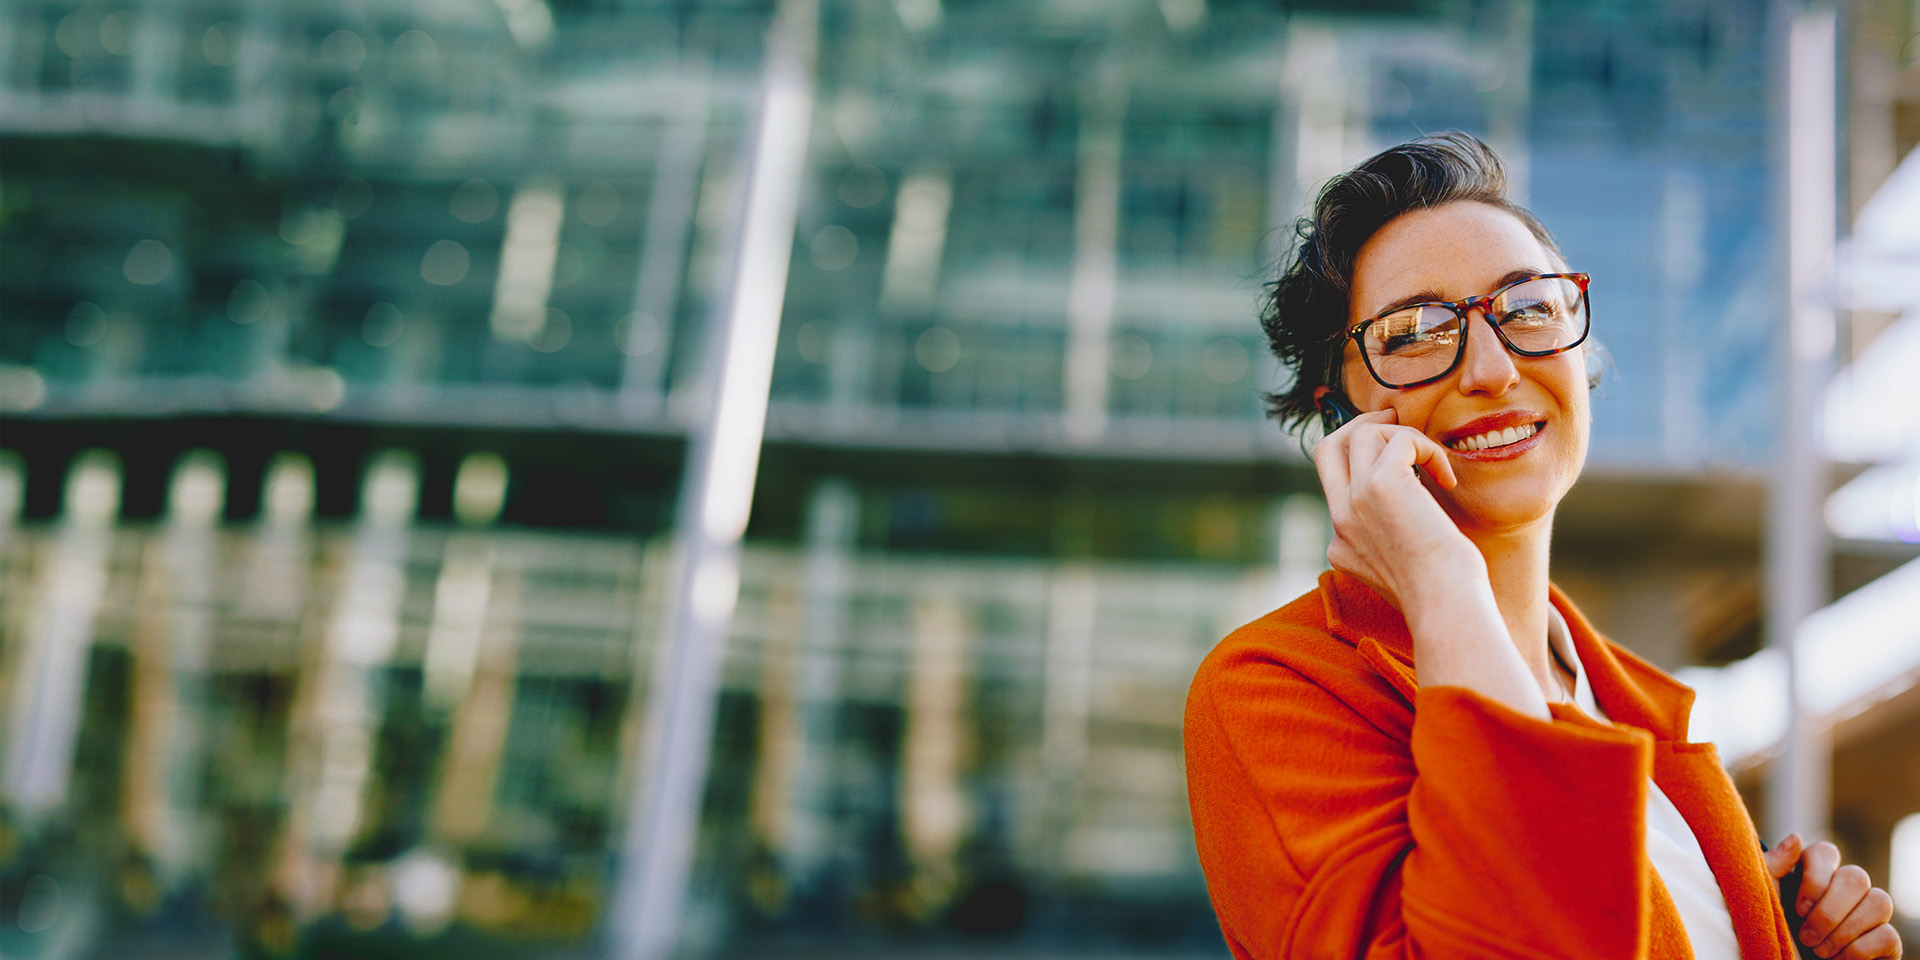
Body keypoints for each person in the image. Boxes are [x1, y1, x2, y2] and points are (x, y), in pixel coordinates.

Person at [1182, 133, 1903, 960]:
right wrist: (1441, 579)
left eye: (1527, 309)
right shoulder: (1279, 689)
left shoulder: (1630, 695)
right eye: (1414, 330)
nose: (1490, 369)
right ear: (1340, 410)